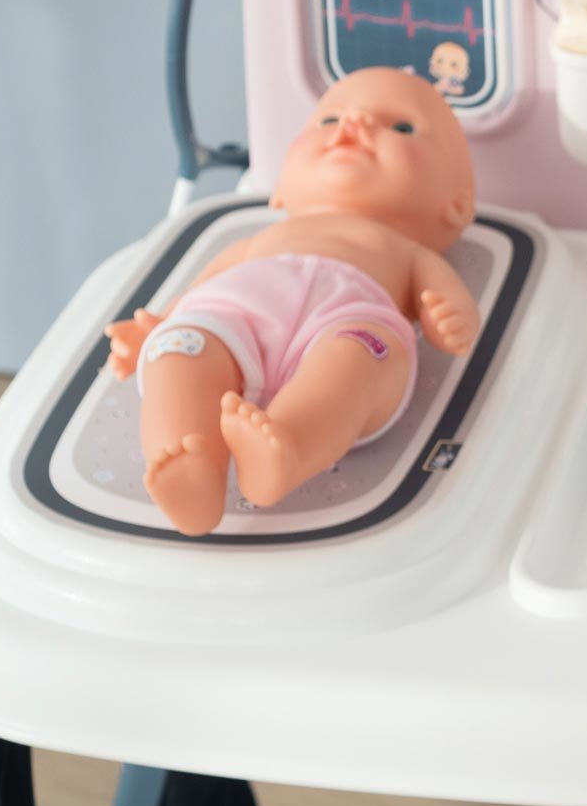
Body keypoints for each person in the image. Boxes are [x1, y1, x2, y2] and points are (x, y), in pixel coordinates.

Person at [105, 68, 480, 533]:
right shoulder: (261, 239)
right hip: (235, 311)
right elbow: (204, 290)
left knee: (357, 361)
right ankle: (188, 460)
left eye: (401, 127)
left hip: (347, 321)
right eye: (329, 120)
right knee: (180, 347)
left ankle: (289, 448)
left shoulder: (407, 250)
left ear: (456, 206)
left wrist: (450, 317)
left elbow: (450, 303)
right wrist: (159, 324)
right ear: (281, 186)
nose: (355, 124)